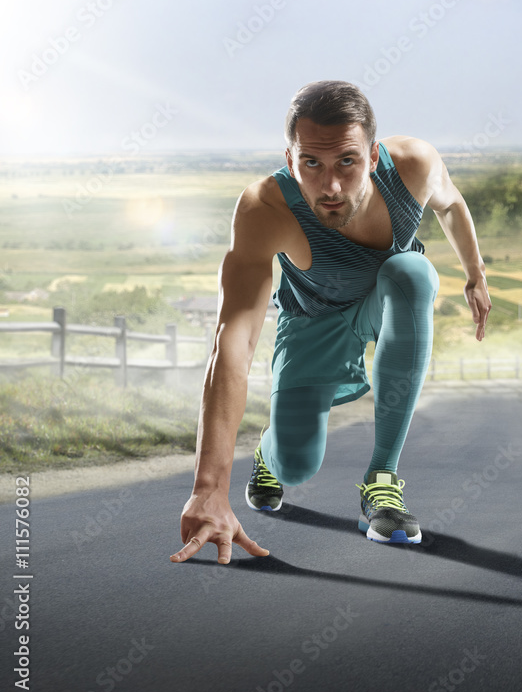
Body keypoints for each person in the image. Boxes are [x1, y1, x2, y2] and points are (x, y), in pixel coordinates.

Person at [170, 80, 491, 565]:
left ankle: (381, 483)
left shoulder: (414, 166)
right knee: (297, 463)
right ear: (290, 157)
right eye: (311, 165)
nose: (332, 186)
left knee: (412, 272)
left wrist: (476, 275)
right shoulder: (265, 208)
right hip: (311, 322)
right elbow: (230, 346)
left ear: (375, 154)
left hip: (385, 300)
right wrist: (209, 487)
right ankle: (270, 453)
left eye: (348, 161)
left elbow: (452, 205)